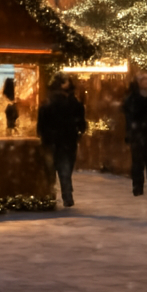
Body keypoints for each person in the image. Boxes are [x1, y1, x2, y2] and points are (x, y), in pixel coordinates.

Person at [36, 73, 87, 208]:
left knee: (50, 171)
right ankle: (67, 195)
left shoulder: (47, 103)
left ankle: (50, 196)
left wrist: (44, 136)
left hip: (52, 140)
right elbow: (81, 123)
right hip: (67, 140)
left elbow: (41, 124)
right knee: (65, 170)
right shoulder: (74, 104)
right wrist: (77, 133)